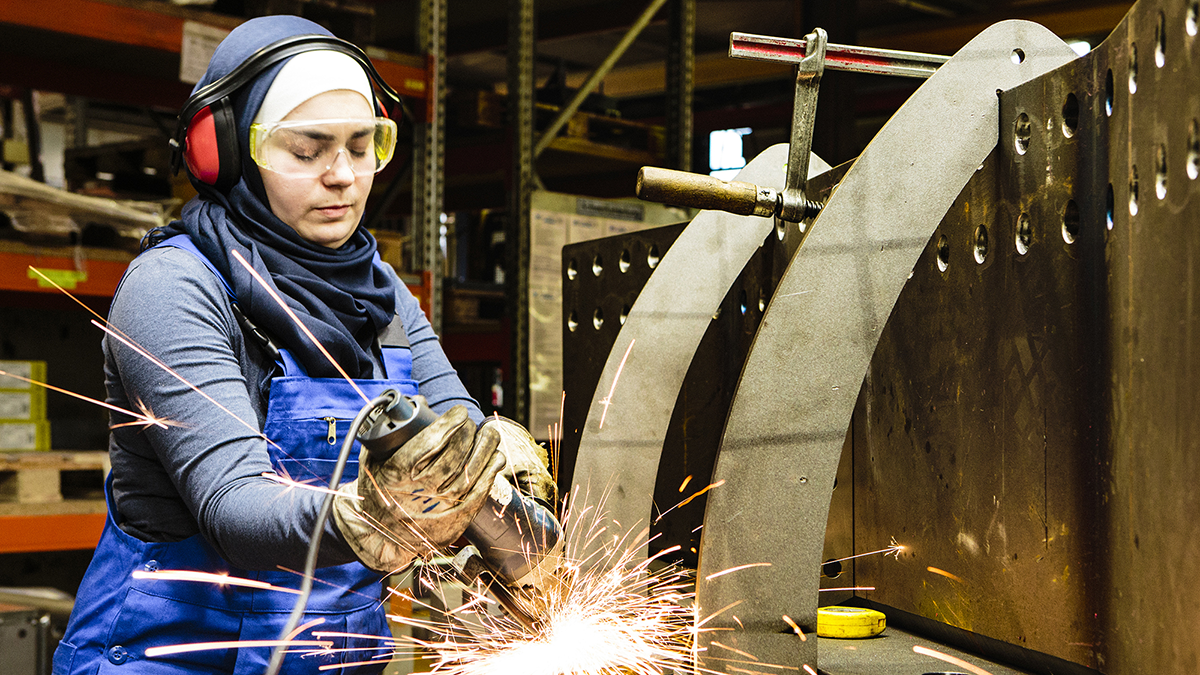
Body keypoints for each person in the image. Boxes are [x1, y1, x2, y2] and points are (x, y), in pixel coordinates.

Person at [52, 15, 555, 675]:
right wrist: (368, 518)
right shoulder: (173, 287)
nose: (343, 175)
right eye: (307, 149)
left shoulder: (381, 295)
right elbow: (236, 505)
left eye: (361, 144)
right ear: (227, 151)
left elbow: (457, 430)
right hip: (172, 658)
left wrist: (505, 487)